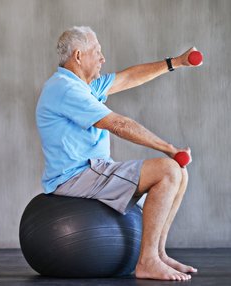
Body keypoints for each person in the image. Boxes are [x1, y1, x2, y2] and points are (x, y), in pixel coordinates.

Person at [35, 26, 201, 281]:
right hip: (76, 176)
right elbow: (117, 124)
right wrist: (169, 148)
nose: (102, 58)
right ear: (78, 56)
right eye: (97, 52)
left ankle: (158, 254)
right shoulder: (65, 89)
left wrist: (176, 62)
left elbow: (129, 77)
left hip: (95, 170)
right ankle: (147, 261)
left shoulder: (85, 86)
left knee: (180, 172)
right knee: (168, 169)